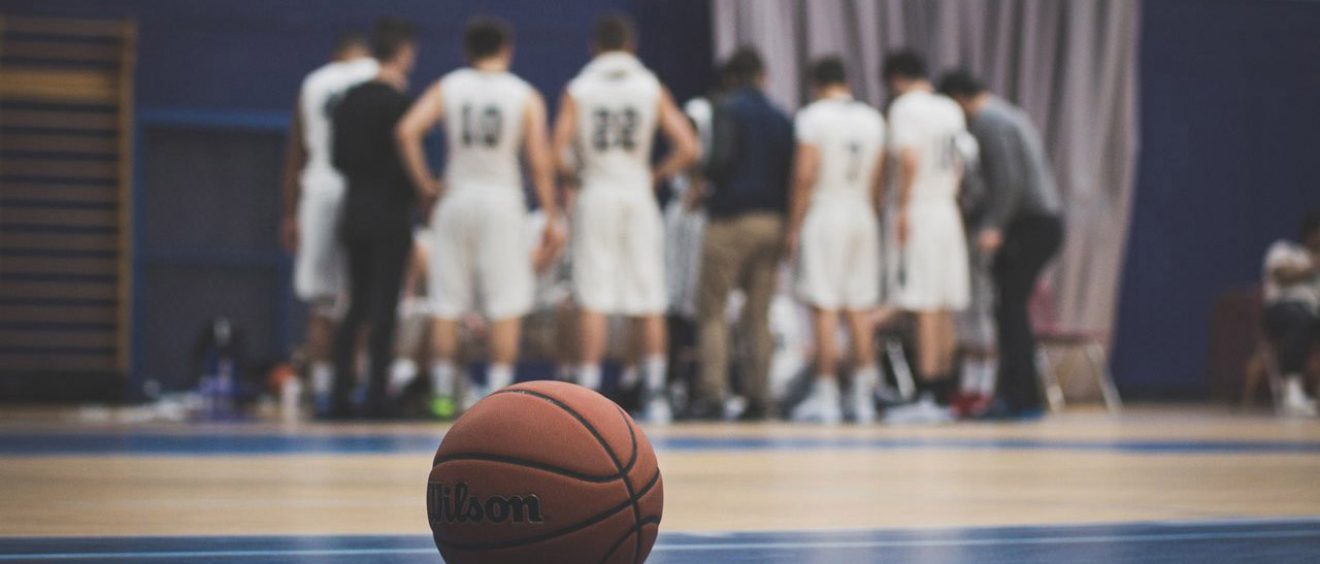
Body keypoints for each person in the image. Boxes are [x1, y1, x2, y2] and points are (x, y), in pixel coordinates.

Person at [396, 17, 561, 418]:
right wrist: (551, 213)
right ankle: (501, 398)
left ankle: (440, 395)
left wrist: (425, 184)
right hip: (502, 200)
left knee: (446, 301)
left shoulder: (449, 85)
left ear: (468, 52)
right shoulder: (524, 94)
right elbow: (538, 161)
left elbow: (407, 131)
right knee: (505, 302)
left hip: (456, 198)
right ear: (507, 50)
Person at [553, 13, 699, 423]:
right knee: (648, 296)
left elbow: (555, 152)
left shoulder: (579, 88)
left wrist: (574, 174)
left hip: (597, 192)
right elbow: (688, 146)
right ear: (631, 47)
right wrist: (655, 174)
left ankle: (587, 391)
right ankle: (654, 392)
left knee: (592, 295)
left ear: (594, 47)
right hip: (636, 192)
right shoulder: (649, 85)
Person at [939, 69, 1064, 419]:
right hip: (1037, 223)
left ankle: (1021, 397)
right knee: (1009, 309)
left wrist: (993, 225)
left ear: (958, 99)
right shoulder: (1006, 114)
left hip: (1030, 225)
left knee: (1009, 310)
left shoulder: (989, 122)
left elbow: (1009, 180)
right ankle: (1018, 394)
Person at [327, 17, 422, 418]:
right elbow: (406, 158)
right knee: (385, 308)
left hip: (354, 210)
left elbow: (336, 158)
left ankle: (338, 394)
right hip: (390, 213)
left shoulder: (348, 99)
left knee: (354, 305)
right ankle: (377, 396)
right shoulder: (399, 102)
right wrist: (423, 190)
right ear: (403, 54)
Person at [693, 47, 794, 420]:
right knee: (758, 314)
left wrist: (702, 187)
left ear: (731, 77)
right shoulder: (782, 117)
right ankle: (761, 396)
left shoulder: (726, 108)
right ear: (763, 75)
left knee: (714, 309)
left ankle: (713, 392)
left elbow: (719, 160)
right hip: (772, 221)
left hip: (732, 219)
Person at [279, 32, 377, 414]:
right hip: (363, 190)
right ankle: (361, 385)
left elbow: (296, 153)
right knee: (364, 298)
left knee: (322, 301)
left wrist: (289, 213)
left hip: (318, 191)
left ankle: (321, 389)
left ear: (336, 55)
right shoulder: (375, 76)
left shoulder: (314, 82)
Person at [785, 57, 887, 424]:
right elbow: (878, 181)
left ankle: (826, 394)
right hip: (861, 213)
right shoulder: (873, 119)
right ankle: (863, 396)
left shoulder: (813, 118)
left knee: (824, 307)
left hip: (826, 211)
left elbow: (804, 175)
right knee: (859, 308)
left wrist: (793, 226)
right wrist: (872, 216)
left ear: (815, 83)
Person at [881, 51, 970, 423]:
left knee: (923, 303)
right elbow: (961, 162)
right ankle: (947, 390)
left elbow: (910, 159)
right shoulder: (951, 109)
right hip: (947, 207)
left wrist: (902, 207)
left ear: (896, 79)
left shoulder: (905, 108)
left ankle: (927, 391)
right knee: (944, 303)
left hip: (920, 206)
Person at [1259, 211, 1320, 417]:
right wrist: (1312, 267)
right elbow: (1281, 275)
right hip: (1281, 312)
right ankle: (1292, 391)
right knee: (1300, 319)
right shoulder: (1285, 250)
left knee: (1309, 318)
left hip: (1313, 315)